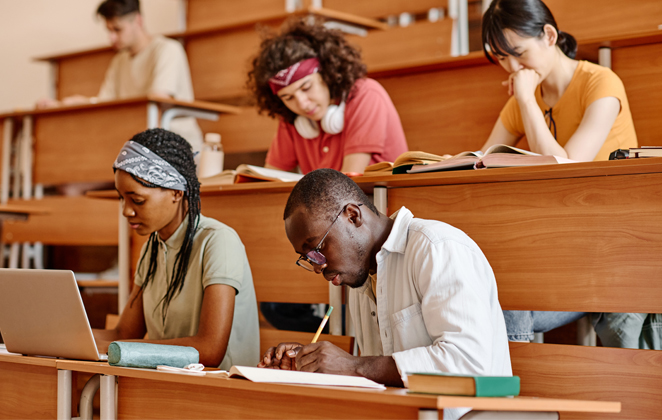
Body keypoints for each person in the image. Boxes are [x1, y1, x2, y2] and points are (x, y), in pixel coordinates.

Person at [259, 169, 512, 420]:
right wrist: (312, 365)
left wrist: (352, 366)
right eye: (307, 258)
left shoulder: (438, 248)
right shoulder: (361, 276)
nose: (317, 266)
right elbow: (379, 376)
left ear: (353, 216)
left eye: (316, 249)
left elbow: (466, 365)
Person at [480, 0, 659, 349]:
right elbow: (483, 161)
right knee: (499, 287)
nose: (512, 68)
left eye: (518, 53)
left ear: (549, 35)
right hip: (562, 242)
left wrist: (527, 101)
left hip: (614, 244)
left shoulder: (601, 84)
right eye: (501, 58)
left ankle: (512, 390)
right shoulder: (523, 98)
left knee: (508, 288)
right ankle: (510, 391)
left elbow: (567, 167)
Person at [93, 128, 259, 368]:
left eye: (137, 200)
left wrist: (122, 350)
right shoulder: (152, 248)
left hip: (221, 391)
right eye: (122, 198)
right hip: (169, 383)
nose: (126, 211)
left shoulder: (219, 241)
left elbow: (210, 350)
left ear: (176, 192)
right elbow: (122, 334)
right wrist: (62, 338)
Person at [248, 18, 408, 175]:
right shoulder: (291, 116)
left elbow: (348, 187)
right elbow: (270, 177)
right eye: (288, 98)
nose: (302, 104)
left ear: (326, 73)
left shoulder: (366, 94)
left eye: (306, 87)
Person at [37, 0, 203, 151]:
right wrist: (64, 105)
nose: (112, 38)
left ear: (138, 21)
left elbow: (155, 107)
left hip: (174, 148)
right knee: (70, 181)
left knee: (76, 181)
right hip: (135, 148)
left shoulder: (167, 50)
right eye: (109, 30)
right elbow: (104, 104)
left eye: (117, 29)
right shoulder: (119, 61)